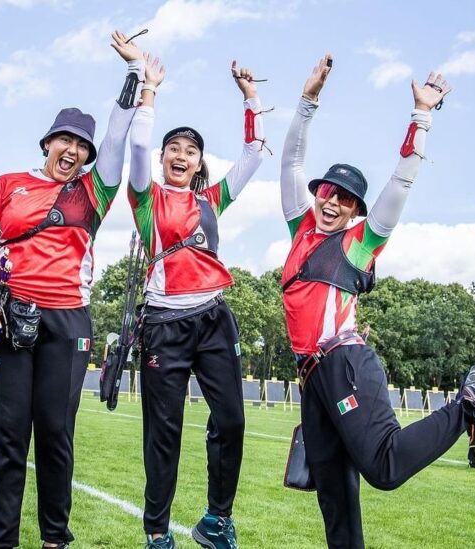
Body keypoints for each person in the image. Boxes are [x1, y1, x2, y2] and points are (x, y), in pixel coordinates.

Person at [279, 55, 475, 549]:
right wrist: (307, 100)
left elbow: (400, 183)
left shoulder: (359, 243)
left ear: (357, 210)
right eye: (327, 193)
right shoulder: (301, 231)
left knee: (384, 464)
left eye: (346, 199)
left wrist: (421, 116)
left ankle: (474, 398)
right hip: (312, 378)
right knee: (333, 500)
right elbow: (292, 162)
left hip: (344, 362)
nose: (332, 203)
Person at [0, 30, 150, 549]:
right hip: (5, 316)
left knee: (54, 434)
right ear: (47, 142)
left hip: (67, 319)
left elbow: (117, 136)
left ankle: (55, 539)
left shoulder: (93, 189)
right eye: (64, 139)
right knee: (7, 435)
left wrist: (133, 73)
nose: (72, 150)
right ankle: (1, 539)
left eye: (81, 146)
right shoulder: (7, 185)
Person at [123, 36, 267, 549]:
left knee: (231, 420)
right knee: (164, 435)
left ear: (200, 162)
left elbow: (253, 155)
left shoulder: (212, 198)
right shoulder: (145, 197)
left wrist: (249, 98)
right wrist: (148, 90)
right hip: (164, 324)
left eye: (191, 150)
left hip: (213, 317)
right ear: (163, 160)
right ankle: (158, 533)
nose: (181, 155)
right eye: (174, 149)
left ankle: (216, 520)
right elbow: (138, 146)